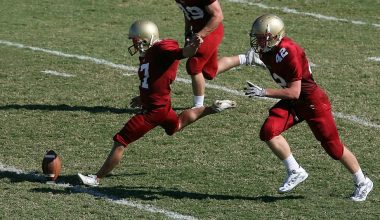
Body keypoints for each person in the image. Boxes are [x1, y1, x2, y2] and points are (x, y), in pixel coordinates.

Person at [78, 20, 236, 186]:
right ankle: (213, 108)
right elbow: (154, 78)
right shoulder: (150, 52)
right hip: (162, 107)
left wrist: (194, 46)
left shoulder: (162, 48)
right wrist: (143, 97)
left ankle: (96, 178)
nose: (134, 43)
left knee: (121, 140)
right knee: (176, 125)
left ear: (147, 37)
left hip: (153, 111)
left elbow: (184, 53)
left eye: (136, 40)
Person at [243, 14, 373, 201]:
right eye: (257, 37)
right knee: (268, 131)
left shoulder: (290, 51)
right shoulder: (267, 50)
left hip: (311, 101)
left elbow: (294, 92)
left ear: (275, 36)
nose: (259, 41)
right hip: (296, 102)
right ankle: (295, 170)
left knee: (333, 148)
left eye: (262, 37)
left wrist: (264, 92)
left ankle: (363, 182)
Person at [175, 0, 265, 108]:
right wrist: (188, 32)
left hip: (212, 30)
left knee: (194, 65)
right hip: (198, 31)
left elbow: (218, 16)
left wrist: (200, 35)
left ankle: (198, 107)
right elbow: (188, 13)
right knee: (209, 72)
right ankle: (247, 58)